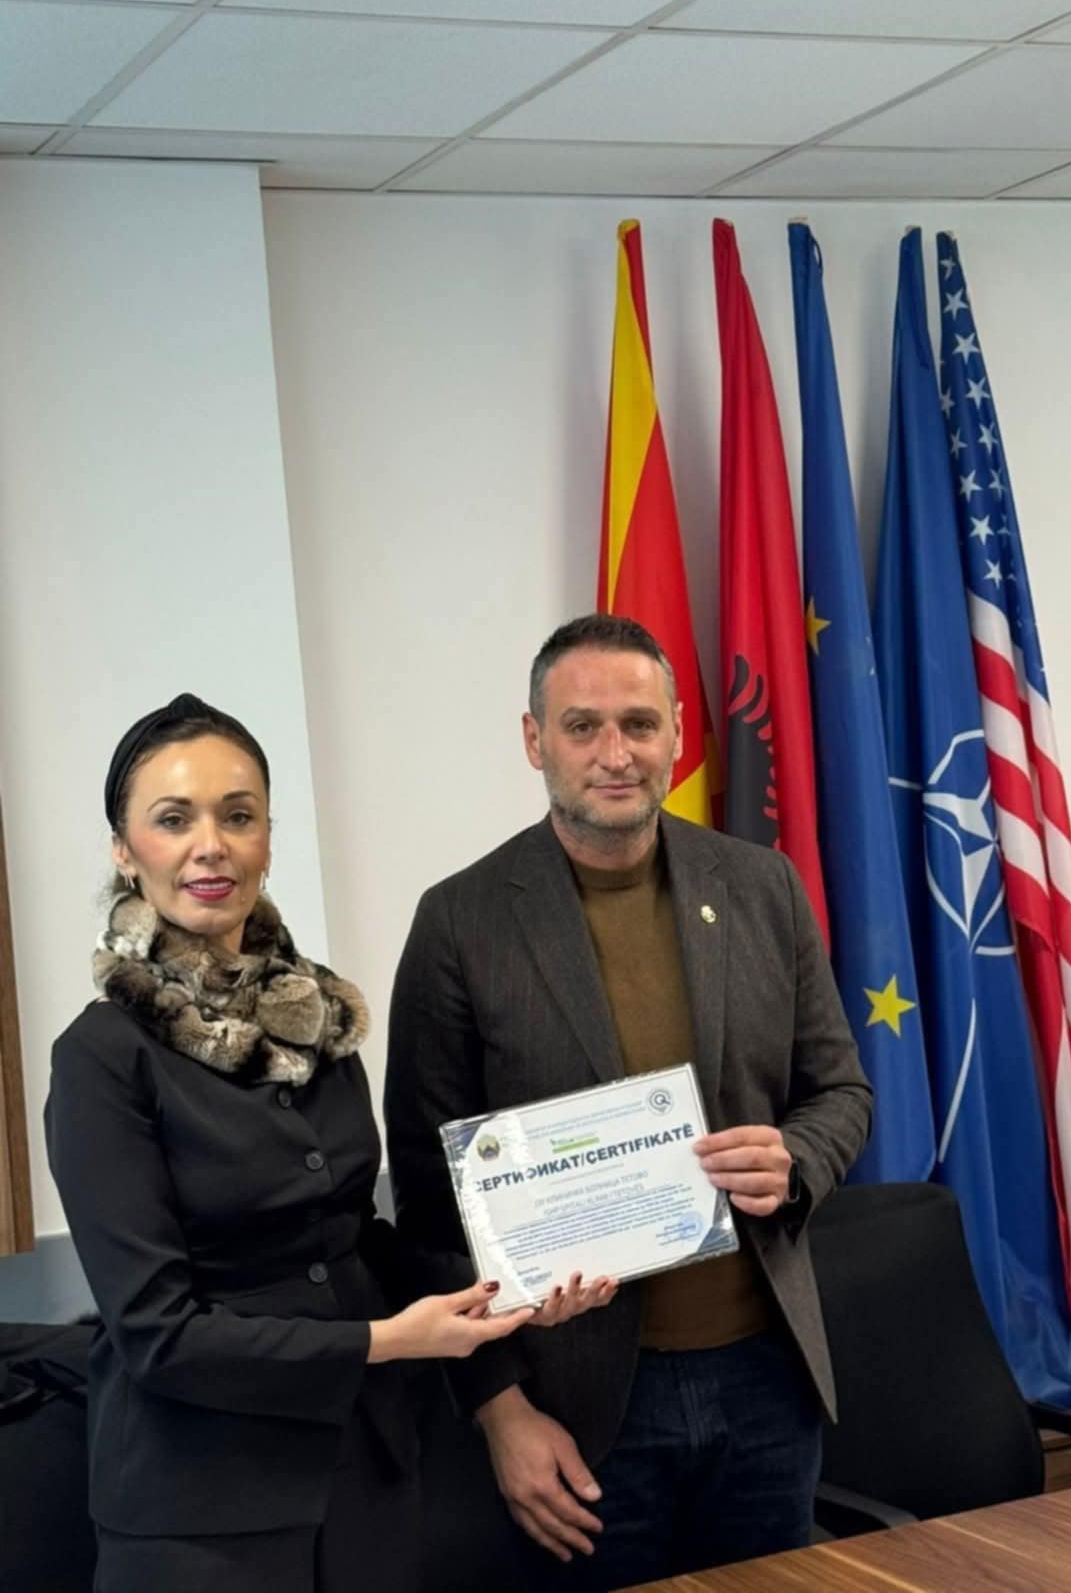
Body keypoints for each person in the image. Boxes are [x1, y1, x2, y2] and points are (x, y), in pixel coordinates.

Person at [45, 693, 615, 1593]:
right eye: (173, 819)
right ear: (124, 848)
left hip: (366, 1477)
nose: (211, 846)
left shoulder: (311, 1018)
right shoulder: (101, 1057)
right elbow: (158, 1334)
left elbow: (355, 1239)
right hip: (201, 1515)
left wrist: (509, 1285)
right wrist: (385, 1341)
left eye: (239, 816)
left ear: (268, 840)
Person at [386, 616, 873, 1590]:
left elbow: (842, 1091)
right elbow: (430, 1208)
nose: (616, 754)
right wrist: (501, 1414)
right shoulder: (460, 923)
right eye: (583, 726)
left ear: (678, 734)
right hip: (577, 1406)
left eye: (640, 724)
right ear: (535, 740)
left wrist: (795, 1160)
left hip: (767, 1381)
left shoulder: (762, 886)